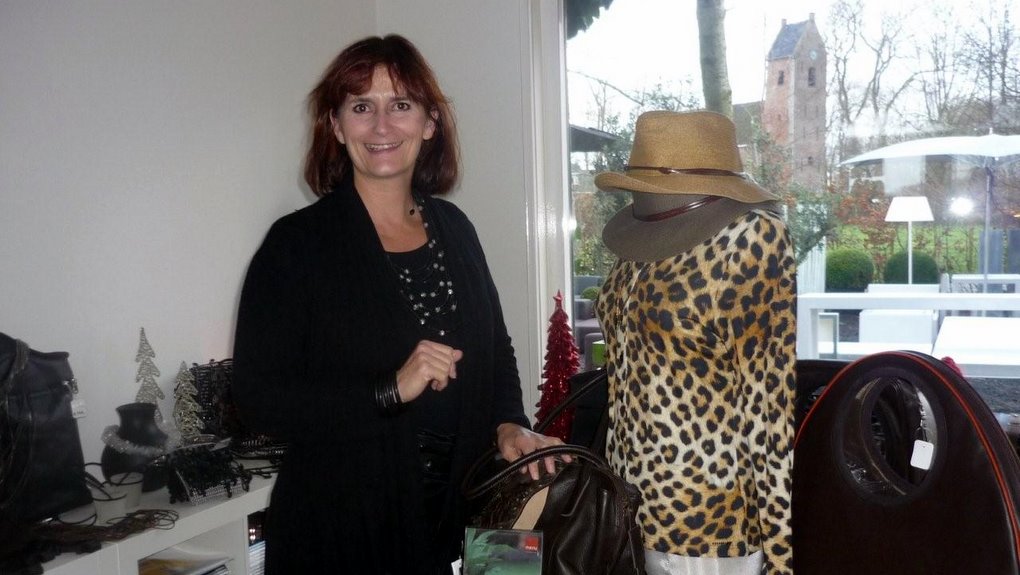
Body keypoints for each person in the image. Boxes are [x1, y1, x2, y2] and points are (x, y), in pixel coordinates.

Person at [232, 34, 564, 575]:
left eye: (401, 105)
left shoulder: (456, 227)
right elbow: (257, 401)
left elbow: (495, 349)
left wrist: (508, 423)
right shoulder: (295, 246)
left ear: (430, 123)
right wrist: (388, 390)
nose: (382, 126)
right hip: (347, 529)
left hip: (477, 511)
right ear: (336, 126)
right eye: (362, 107)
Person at [592, 110, 797, 575]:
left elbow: (770, 407)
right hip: (624, 503)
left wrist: (781, 554)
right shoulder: (637, 243)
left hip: (706, 521)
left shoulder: (751, 238)